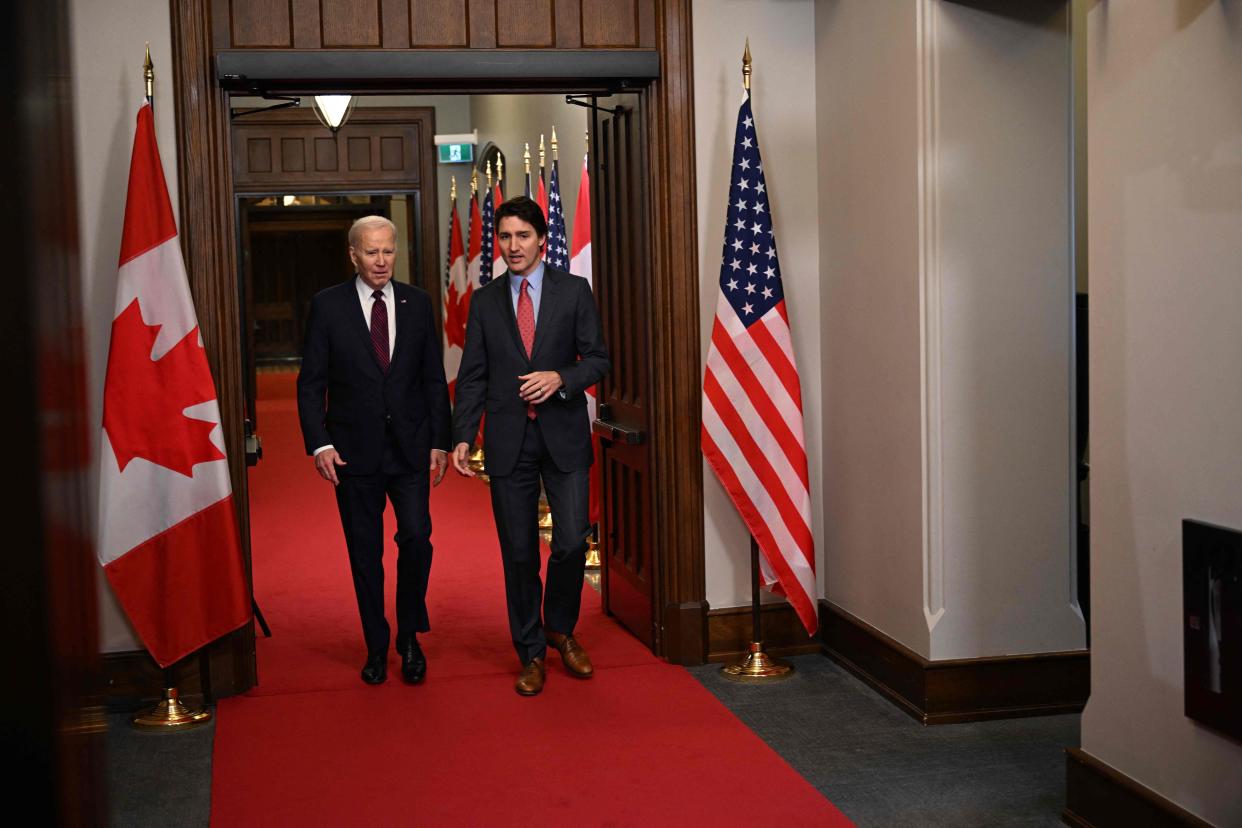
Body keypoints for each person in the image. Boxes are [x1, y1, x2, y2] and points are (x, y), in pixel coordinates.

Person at [451, 196, 610, 696]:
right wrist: (460, 434)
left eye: (522, 236)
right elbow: (472, 375)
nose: (513, 246)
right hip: (507, 443)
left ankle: (560, 627)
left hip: (563, 437)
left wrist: (561, 376)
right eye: (505, 237)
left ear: (543, 239)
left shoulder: (574, 291)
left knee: (568, 543)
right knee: (519, 553)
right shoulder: (485, 300)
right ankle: (531, 652)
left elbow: (599, 360)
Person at [297, 215, 451, 686]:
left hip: (408, 450)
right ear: (353, 255)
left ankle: (409, 637)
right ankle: (376, 644)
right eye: (371, 252)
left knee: (417, 540)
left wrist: (440, 442)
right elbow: (311, 384)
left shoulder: (419, 303)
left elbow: (431, 378)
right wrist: (319, 442)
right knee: (364, 554)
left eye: (388, 251)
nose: (381, 260)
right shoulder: (327, 307)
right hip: (352, 454)